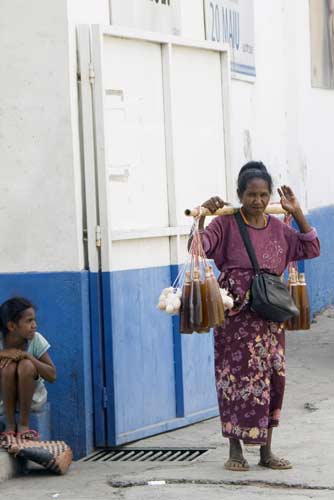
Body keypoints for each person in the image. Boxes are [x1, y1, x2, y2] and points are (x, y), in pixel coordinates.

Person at [194, 162, 320, 471]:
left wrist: (297, 211)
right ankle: (234, 449)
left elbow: (312, 246)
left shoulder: (279, 228)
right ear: (240, 195)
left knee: (271, 380)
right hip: (234, 318)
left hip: (270, 318)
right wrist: (202, 218)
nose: (259, 202)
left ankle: (266, 451)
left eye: (264, 195)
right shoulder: (224, 225)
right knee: (234, 380)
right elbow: (197, 249)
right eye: (252, 195)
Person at [0, 297, 56, 441]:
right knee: (7, 368)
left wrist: (29, 357)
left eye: (34, 320)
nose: (34, 325)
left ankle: (24, 424)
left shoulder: (35, 339)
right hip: (3, 402)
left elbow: (52, 375)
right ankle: (10, 425)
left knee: (26, 365)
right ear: (12, 326)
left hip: (33, 400)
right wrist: (2, 354)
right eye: (29, 321)